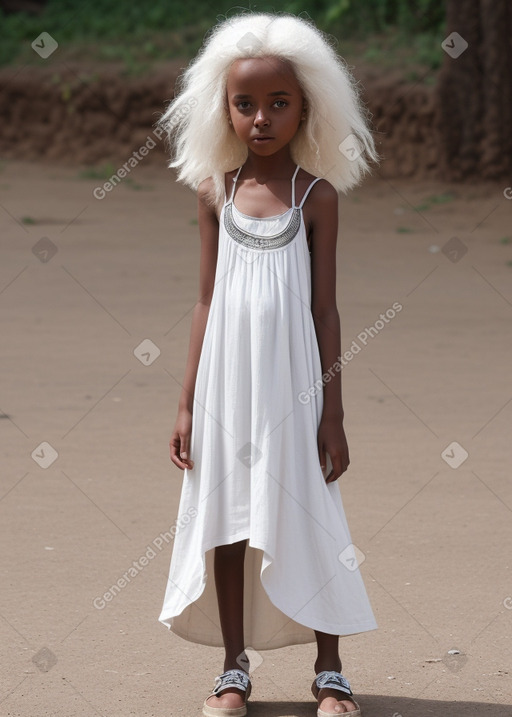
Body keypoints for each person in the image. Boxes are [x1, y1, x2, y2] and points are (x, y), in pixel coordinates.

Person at [156, 11, 379, 717]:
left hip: (293, 389)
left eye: (278, 103)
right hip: (226, 386)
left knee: (308, 512)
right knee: (225, 515)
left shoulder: (317, 197)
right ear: (222, 108)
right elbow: (203, 301)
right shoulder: (213, 192)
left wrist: (332, 411)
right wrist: (188, 402)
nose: (260, 117)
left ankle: (331, 668)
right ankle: (232, 669)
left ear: (306, 106)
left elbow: (325, 311)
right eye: (244, 103)